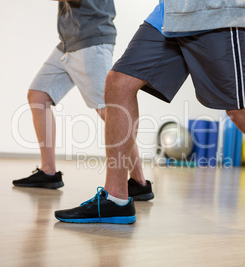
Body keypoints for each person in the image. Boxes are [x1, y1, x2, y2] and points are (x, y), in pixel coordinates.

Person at [54, 0, 245, 240]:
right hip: (170, 12)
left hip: (213, 11)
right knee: (118, 83)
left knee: (242, 110)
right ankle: (116, 198)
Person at [12, 0, 154, 202]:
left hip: (91, 40)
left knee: (111, 112)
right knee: (38, 94)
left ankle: (139, 182)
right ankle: (48, 172)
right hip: (68, 42)